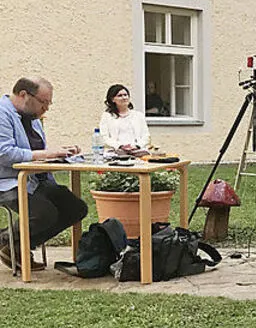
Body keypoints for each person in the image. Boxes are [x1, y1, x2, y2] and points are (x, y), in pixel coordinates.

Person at [0, 78, 89, 271]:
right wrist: (46, 154)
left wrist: (60, 152)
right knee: (45, 213)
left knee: (76, 208)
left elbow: (36, 149)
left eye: (49, 103)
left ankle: (14, 246)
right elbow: (4, 153)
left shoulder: (32, 117)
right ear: (24, 95)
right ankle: (7, 241)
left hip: (33, 179)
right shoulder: (2, 114)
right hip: (7, 182)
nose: (46, 108)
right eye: (43, 102)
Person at [99, 84, 151, 153]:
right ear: (112, 99)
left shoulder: (138, 115)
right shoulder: (107, 116)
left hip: (137, 152)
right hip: (116, 152)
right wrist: (120, 146)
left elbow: (146, 136)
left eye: (125, 95)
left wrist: (137, 146)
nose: (124, 98)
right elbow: (104, 137)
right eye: (120, 95)